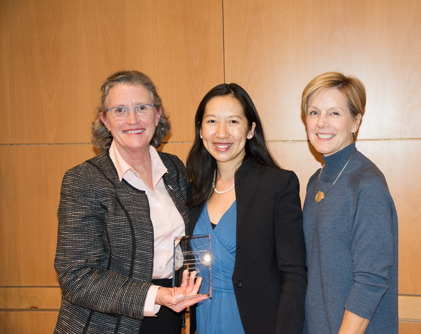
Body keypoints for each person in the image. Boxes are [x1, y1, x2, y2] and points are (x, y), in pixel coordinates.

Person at [54, 70, 207, 334]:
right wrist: (156, 295)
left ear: (157, 115)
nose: (133, 119)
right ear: (105, 120)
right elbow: (76, 277)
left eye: (142, 108)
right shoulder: (84, 180)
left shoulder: (174, 168)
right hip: (102, 325)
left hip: (169, 317)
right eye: (120, 110)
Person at [186, 83, 307, 334]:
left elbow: (294, 274)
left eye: (233, 121)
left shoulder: (277, 185)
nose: (221, 133)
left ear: (251, 129)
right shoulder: (192, 192)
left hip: (254, 324)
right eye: (211, 121)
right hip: (205, 321)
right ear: (200, 129)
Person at [301, 72, 398, 334]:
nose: (322, 123)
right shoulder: (315, 181)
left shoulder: (366, 184)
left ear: (356, 121)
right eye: (313, 112)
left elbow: (372, 281)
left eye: (334, 113)